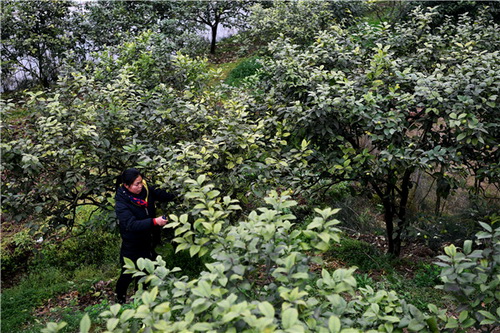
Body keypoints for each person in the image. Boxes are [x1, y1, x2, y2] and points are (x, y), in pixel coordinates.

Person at [114, 168, 176, 303]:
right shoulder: (121, 203)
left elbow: (160, 194)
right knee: (128, 273)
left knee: (147, 271)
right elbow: (131, 224)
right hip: (132, 243)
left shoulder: (145, 189)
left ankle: (140, 299)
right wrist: (155, 221)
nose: (140, 186)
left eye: (141, 182)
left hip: (148, 240)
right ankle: (119, 300)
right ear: (126, 185)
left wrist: (179, 193)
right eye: (137, 184)